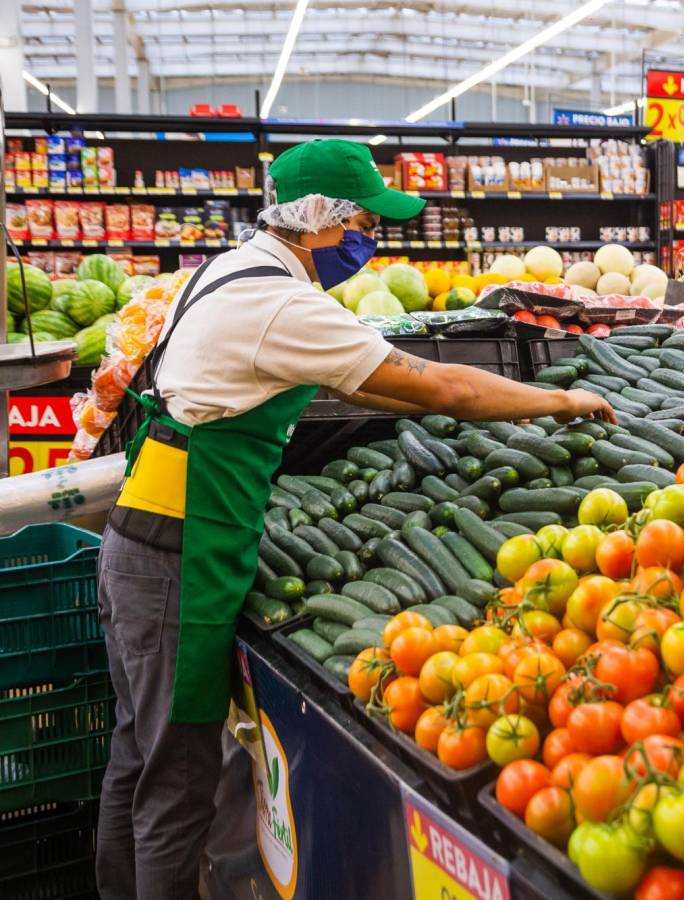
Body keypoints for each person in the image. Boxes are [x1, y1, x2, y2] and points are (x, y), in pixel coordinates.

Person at [95, 138, 613, 900]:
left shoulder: (237, 270)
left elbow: (372, 387)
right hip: (180, 552)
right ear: (318, 221)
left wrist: (422, 399)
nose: (370, 240)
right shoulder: (279, 301)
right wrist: (561, 401)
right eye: (364, 222)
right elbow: (446, 388)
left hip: (148, 539)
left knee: (139, 761)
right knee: (176, 784)